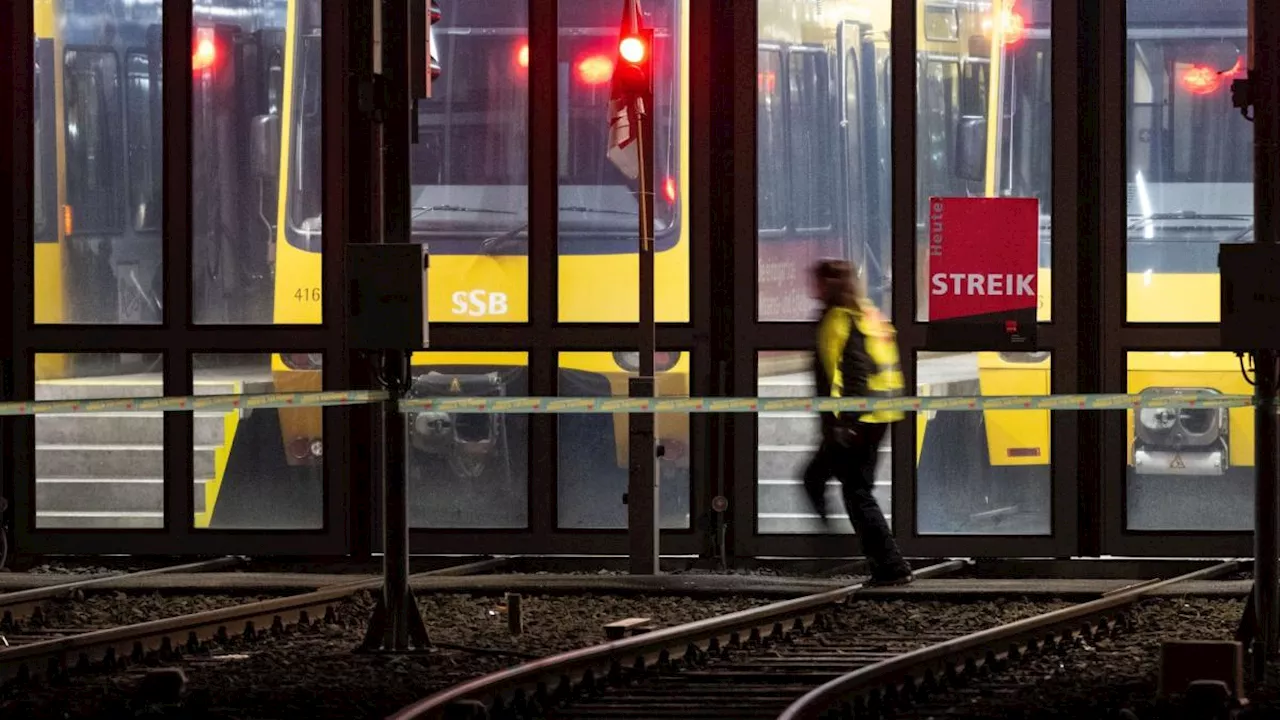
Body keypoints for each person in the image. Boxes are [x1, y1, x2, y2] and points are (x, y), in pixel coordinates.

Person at [804, 259, 913, 586]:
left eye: (817, 282)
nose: (813, 288)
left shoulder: (838, 320)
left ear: (826, 286)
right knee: (817, 477)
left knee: (855, 491)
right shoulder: (868, 313)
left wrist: (844, 423)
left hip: (856, 420)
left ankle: (890, 565)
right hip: (877, 415)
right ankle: (832, 544)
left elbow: (848, 373)